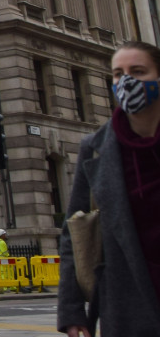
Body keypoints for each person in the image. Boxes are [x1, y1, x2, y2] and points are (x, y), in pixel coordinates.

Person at [58, 41, 160, 337]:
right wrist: (71, 310)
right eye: (118, 74)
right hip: (127, 303)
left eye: (138, 71)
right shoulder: (95, 149)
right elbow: (72, 234)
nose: (126, 81)